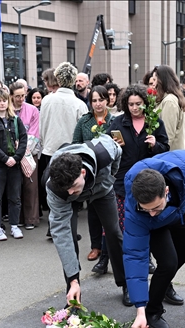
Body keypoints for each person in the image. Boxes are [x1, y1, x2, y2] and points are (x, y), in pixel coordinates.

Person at [45, 136, 128, 306]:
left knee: (113, 232)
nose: (70, 192)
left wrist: (110, 176)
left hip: (101, 190)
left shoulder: (104, 152)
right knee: (69, 239)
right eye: (66, 189)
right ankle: (73, 296)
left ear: (82, 172)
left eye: (73, 186)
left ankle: (127, 284)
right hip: (68, 201)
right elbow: (62, 235)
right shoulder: (56, 188)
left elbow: (118, 151)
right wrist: (73, 280)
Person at [124, 152, 185, 328]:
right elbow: (135, 257)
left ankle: (164, 285)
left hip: (179, 206)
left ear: (165, 191)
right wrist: (140, 310)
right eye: (146, 208)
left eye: (155, 208)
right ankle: (153, 310)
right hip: (154, 225)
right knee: (168, 263)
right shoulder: (138, 212)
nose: (150, 212)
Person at [111, 84, 170, 278]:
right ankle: (130, 264)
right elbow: (107, 146)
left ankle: (149, 258)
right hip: (123, 180)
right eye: (131, 104)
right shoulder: (119, 123)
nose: (134, 108)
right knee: (126, 224)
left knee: (147, 221)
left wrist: (155, 145)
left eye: (138, 104)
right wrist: (115, 145)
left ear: (145, 104)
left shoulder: (155, 122)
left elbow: (165, 149)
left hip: (148, 181)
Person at [39, 63, 89, 219]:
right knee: (71, 190)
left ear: (58, 80)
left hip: (50, 149)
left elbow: (41, 126)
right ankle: (69, 225)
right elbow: (84, 132)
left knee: (53, 190)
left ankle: (53, 224)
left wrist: (43, 143)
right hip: (72, 153)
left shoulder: (46, 100)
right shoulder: (79, 104)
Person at [72, 86, 113, 267]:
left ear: (107, 100)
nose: (98, 104)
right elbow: (75, 144)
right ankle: (96, 246)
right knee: (93, 210)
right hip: (89, 170)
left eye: (101, 100)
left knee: (110, 212)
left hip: (110, 170)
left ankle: (110, 247)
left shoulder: (114, 120)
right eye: (94, 100)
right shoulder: (84, 121)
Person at [0, 88, 28, 241]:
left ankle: (14, 226)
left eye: (4, 100)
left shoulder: (15, 119)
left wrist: (16, 157)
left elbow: (23, 139)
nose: (1, 104)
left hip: (14, 164)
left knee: (15, 197)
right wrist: (4, 158)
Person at [10, 81, 41, 230]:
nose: (21, 99)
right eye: (17, 96)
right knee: (15, 187)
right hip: (11, 154)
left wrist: (23, 149)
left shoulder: (33, 110)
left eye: (23, 96)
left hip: (29, 151)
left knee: (30, 186)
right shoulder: (8, 110)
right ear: (11, 96)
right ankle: (17, 218)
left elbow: (34, 132)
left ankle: (31, 218)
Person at [150, 65, 185, 152]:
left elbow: (168, 135)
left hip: (170, 155)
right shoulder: (164, 99)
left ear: (161, 81)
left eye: (154, 80)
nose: (153, 83)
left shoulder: (169, 101)